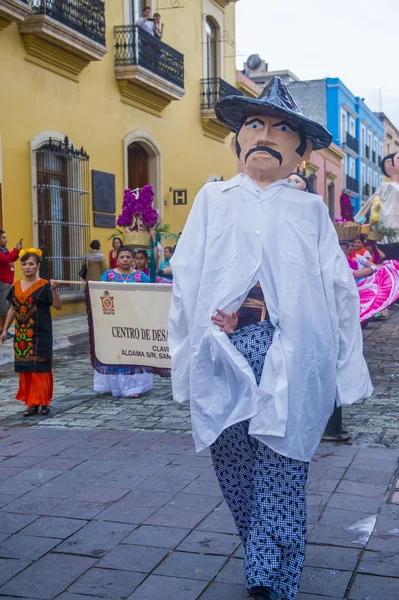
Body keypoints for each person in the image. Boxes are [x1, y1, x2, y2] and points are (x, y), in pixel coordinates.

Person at [169, 77, 373, 600]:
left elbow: (338, 289)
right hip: (224, 356)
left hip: (291, 358)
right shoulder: (213, 200)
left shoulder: (309, 212)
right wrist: (184, 363)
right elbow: (186, 279)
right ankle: (262, 550)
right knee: (235, 468)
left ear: (300, 152)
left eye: (282, 130)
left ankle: (268, 580)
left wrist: (346, 373)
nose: (265, 135)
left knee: (283, 469)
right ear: (237, 140)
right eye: (255, 124)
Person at [0, 249, 62, 416]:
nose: (27, 267)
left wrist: (55, 290)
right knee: (26, 369)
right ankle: (31, 403)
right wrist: (5, 330)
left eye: (31, 264)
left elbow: (57, 306)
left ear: (38, 266)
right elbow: (12, 308)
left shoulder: (45, 285)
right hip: (22, 336)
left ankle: (44, 402)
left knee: (40, 368)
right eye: (24, 264)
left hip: (41, 334)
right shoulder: (17, 285)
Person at [93, 246, 153, 398]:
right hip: (112, 321)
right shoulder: (108, 275)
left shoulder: (140, 277)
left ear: (132, 259)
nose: (125, 260)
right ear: (117, 259)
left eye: (128, 257)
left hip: (133, 321)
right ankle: (112, 385)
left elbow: (149, 296)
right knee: (114, 351)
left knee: (132, 351)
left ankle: (133, 387)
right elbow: (99, 293)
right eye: (122, 257)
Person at [355, 152, 399, 259]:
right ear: (388, 164)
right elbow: (368, 205)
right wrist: (355, 221)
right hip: (391, 239)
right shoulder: (387, 187)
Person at [0, 230, 22, 337]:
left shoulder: (5, 250)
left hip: (8, 283)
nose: (6, 240)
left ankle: (5, 329)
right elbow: (6, 259)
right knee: (3, 308)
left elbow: (11, 259)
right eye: (3, 238)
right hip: (2, 283)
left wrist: (17, 251)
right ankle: (1, 330)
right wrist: (16, 250)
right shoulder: (1, 253)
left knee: (7, 307)